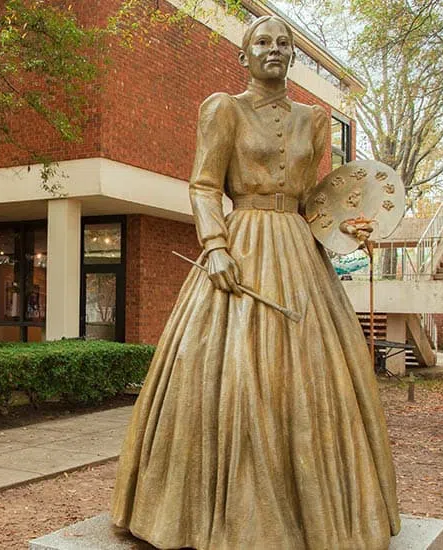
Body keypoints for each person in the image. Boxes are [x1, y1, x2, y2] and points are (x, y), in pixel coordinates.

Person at [111, 15, 400, 550]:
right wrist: (215, 246)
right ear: (244, 56)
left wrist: (350, 230)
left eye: (283, 44)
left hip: (300, 252)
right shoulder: (224, 108)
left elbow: (318, 200)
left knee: (314, 373)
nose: (273, 50)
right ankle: (207, 513)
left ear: (292, 57)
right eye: (261, 42)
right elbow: (202, 185)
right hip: (241, 241)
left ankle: (319, 515)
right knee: (232, 370)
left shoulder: (315, 119)